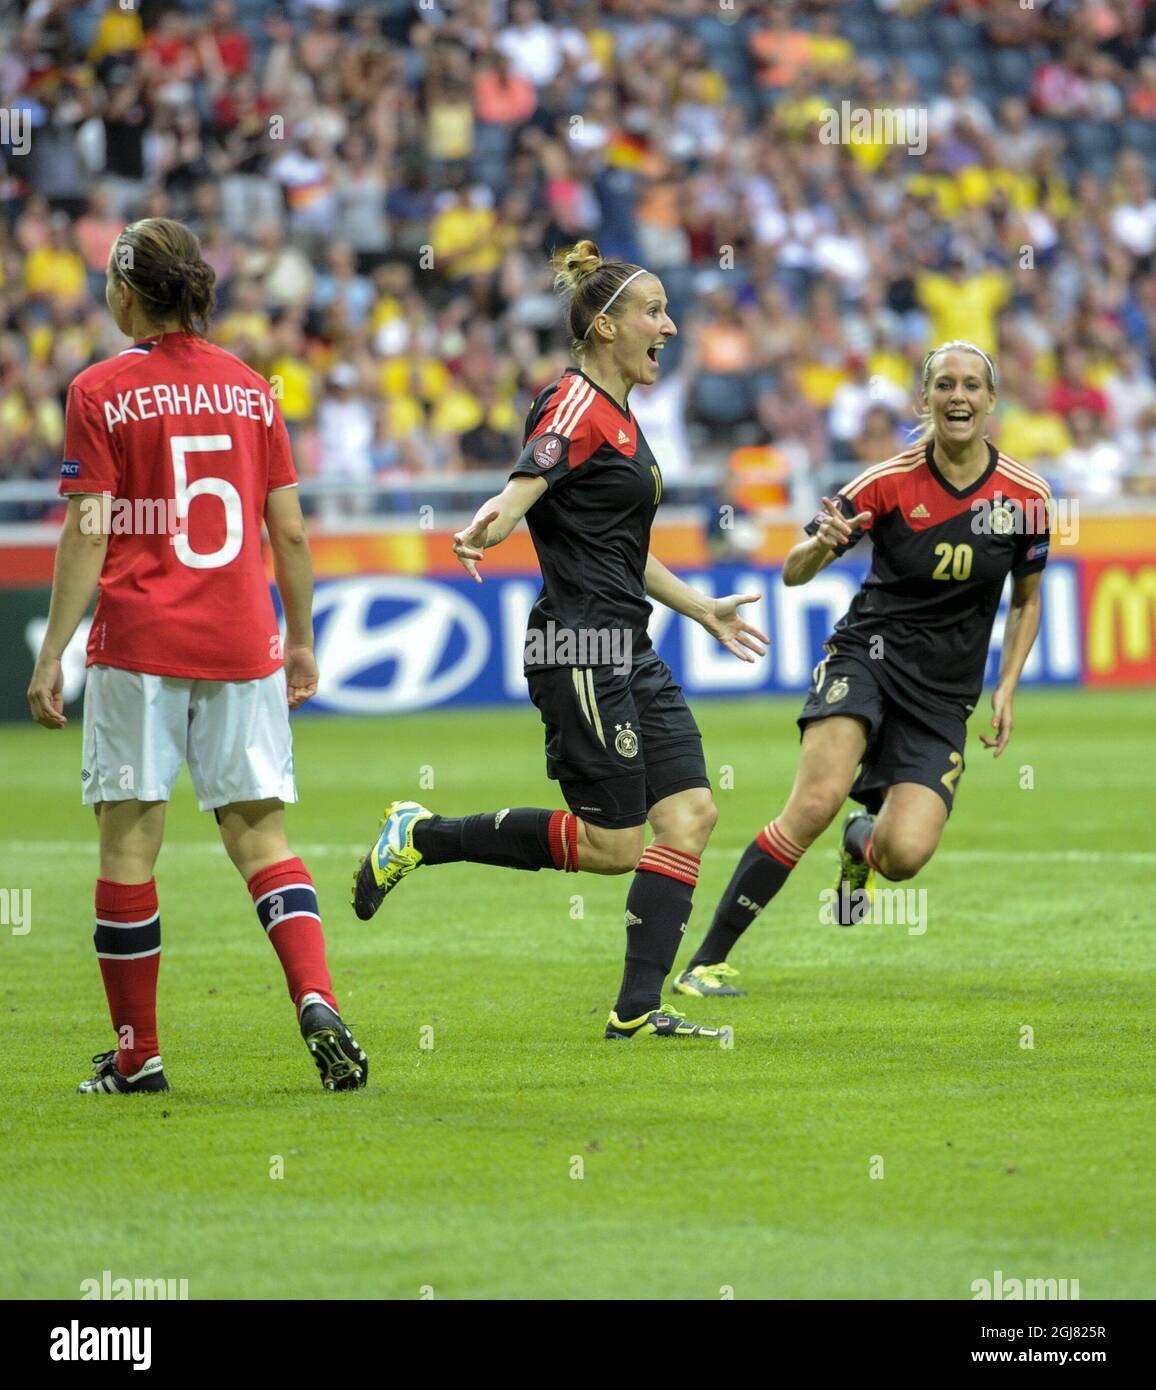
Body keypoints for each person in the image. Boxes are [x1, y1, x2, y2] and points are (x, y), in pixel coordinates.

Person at [351, 239, 768, 1041]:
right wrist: (491, 524)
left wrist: (700, 609)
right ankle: (421, 836)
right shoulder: (573, 406)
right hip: (575, 649)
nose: (670, 328)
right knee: (614, 846)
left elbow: (623, 549)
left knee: (690, 814)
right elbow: (524, 486)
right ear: (606, 327)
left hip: (629, 646)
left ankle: (638, 1012)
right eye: (655, 312)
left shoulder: (619, 418)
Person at [26, 217, 367, 1094]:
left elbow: (89, 530)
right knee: (263, 839)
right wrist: (300, 640)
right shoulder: (256, 390)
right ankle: (317, 997)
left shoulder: (99, 390)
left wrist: (52, 652)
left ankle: (139, 1055)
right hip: (239, 640)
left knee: (129, 852)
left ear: (129, 293)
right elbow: (287, 529)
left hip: (139, 643)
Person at [676, 341, 1052, 997]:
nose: (957, 397)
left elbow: (1027, 599)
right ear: (925, 399)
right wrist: (817, 548)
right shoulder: (884, 482)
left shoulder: (1027, 497)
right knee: (813, 802)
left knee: (904, 855)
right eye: (944, 385)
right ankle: (705, 963)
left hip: (943, 695)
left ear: (991, 402)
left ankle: (862, 844)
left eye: (971, 386)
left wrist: (1009, 685)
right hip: (865, 661)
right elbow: (793, 573)